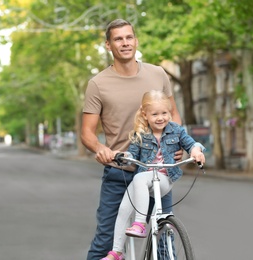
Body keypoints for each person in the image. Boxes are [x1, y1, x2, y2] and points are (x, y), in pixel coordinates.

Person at [81, 19, 183, 260]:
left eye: (129, 37)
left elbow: (174, 114)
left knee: (164, 240)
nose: (125, 43)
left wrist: (177, 142)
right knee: (106, 242)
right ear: (108, 45)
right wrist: (100, 148)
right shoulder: (98, 84)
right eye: (118, 39)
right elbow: (87, 132)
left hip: (156, 169)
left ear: (136, 41)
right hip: (120, 170)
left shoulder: (158, 73)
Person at [101, 90, 206, 260]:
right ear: (145, 114)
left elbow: (191, 144)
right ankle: (117, 252)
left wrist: (196, 152)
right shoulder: (140, 134)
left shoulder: (176, 131)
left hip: (163, 179)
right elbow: (132, 156)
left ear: (169, 113)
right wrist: (122, 156)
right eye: (155, 114)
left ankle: (140, 224)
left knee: (139, 178)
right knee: (123, 210)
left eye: (164, 113)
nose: (160, 118)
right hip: (143, 181)